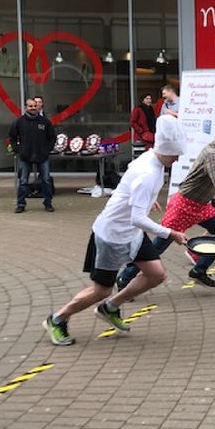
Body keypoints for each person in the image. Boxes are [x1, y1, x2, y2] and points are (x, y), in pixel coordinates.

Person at [42, 115, 188, 346]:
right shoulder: (147, 173)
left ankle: (110, 307)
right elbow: (138, 218)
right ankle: (57, 318)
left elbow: (129, 187)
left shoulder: (153, 158)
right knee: (101, 290)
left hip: (132, 233)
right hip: (111, 235)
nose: (178, 158)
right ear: (164, 149)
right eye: (176, 154)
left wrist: (147, 200)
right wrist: (170, 234)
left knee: (157, 274)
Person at [117, 124, 215, 290]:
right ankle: (125, 278)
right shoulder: (212, 154)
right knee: (159, 246)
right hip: (184, 206)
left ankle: (199, 270)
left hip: (201, 206)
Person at [9, 98, 56, 213]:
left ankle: (48, 203)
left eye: (35, 106)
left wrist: (47, 149)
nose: (33, 108)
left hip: (42, 156)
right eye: (30, 106)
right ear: (26, 107)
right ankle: (21, 204)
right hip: (25, 156)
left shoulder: (45, 121)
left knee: (46, 180)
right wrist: (18, 150)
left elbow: (52, 137)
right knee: (23, 181)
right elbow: (12, 137)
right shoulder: (19, 122)